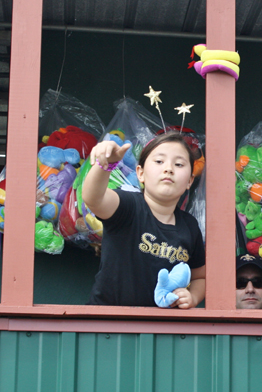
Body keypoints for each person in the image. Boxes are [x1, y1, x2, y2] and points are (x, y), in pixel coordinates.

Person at [83, 131, 206, 307]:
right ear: (140, 173)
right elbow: (94, 199)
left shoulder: (190, 226)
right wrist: (105, 165)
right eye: (159, 161)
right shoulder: (128, 205)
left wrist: (192, 297)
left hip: (162, 328)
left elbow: (200, 276)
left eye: (179, 164)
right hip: (107, 323)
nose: (168, 168)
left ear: (189, 181)